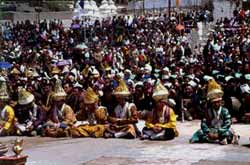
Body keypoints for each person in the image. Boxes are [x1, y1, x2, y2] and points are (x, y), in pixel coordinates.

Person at [190, 79, 239, 145]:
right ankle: (218, 139)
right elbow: (203, 123)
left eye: (218, 102)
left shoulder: (225, 111)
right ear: (212, 103)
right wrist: (208, 132)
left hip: (222, 130)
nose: (216, 104)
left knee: (227, 133)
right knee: (200, 132)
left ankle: (218, 138)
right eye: (214, 102)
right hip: (211, 130)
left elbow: (228, 123)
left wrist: (219, 133)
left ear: (221, 103)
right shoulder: (208, 111)